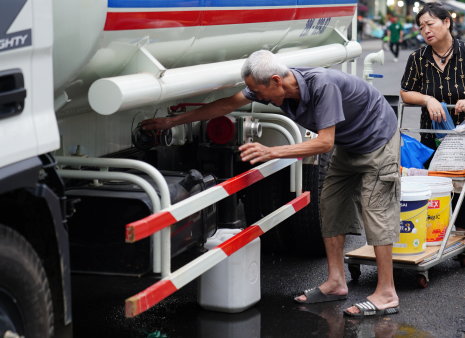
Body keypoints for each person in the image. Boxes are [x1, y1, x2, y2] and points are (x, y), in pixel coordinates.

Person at [141, 50, 401, 318]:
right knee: (331, 206)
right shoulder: (273, 86)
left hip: (378, 140)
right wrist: (170, 121)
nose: (258, 97)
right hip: (350, 146)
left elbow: (325, 143)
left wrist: (271, 152)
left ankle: (386, 293)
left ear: (276, 81)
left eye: (259, 92)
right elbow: (227, 104)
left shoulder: (323, 85)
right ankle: (336, 282)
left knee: (377, 212)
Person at [400, 2, 465, 231]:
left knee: (460, 184)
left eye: (430, 24)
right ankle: (433, 234)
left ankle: (462, 237)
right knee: (433, 182)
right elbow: (406, 92)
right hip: (430, 133)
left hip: (462, 134)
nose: (426, 30)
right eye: (421, 26)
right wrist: (427, 99)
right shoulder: (417, 58)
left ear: (446, 22)